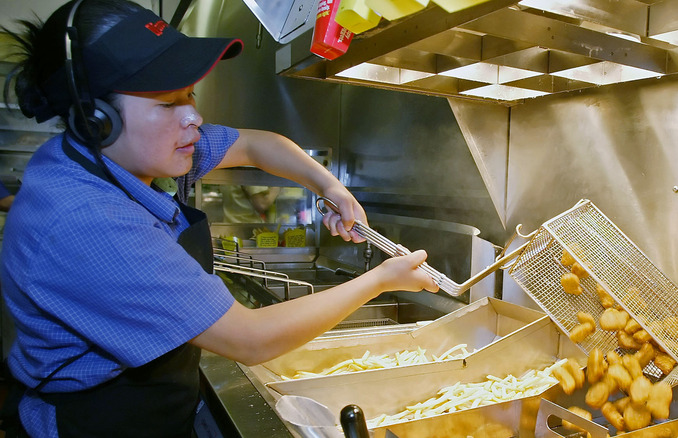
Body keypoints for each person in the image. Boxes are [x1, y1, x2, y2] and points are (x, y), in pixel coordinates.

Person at [0, 0, 438, 437]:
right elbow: (249, 339)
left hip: (156, 402)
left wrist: (331, 187)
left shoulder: (121, 153)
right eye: (168, 102)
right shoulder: (87, 219)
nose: (194, 116)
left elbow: (258, 145)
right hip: (97, 421)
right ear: (96, 119)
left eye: (189, 94)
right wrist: (382, 278)